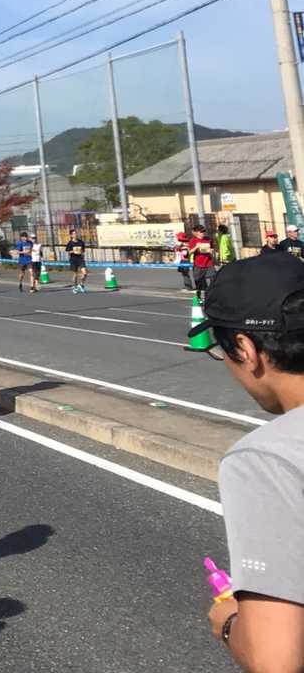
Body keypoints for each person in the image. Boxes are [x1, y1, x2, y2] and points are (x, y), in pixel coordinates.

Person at [187, 256, 304, 670]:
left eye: (223, 351)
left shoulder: (268, 458)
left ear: (246, 349)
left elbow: (277, 661)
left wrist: (228, 621)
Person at [189, 224, 216, 300]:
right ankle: (198, 296)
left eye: (204, 231)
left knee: (212, 279)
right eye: (202, 231)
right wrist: (196, 247)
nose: (203, 233)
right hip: (198, 264)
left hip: (209, 263)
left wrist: (212, 251)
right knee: (198, 282)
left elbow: (213, 249)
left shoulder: (208, 239)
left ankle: (211, 296)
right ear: (197, 232)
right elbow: (190, 252)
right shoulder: (193, 240)